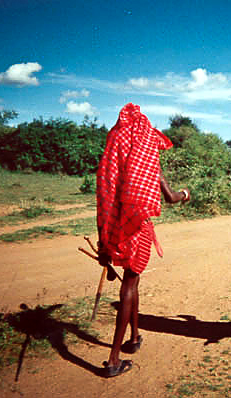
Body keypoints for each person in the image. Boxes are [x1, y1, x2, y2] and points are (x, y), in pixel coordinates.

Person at [96, 103, 190, 377]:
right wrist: (185, 193)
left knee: (132, 281)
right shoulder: (148, 163)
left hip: (113, 224)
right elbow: (170, 198)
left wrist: (104, 241)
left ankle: (134, 337)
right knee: (129, 284)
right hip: (137, 226)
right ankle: (113, 360)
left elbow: (104, 195)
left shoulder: (113, 154)